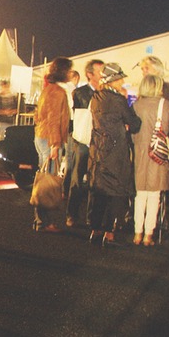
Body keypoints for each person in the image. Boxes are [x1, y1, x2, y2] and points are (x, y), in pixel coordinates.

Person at [88, 63, 141, 246]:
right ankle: (109, 233)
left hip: (98, 150)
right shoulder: (118, 100)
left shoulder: (96, 97)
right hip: (116, 151)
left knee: (100, 191)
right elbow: (134, 124)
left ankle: (95, 229)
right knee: (116, 191)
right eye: (120, 79)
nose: (123, 82)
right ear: (113, 81)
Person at [131, 75, 169, 246]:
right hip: (158, 156)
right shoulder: (166, 106)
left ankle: (137, 233)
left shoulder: (136, 106)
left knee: (139, 196)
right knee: (154, 197)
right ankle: (148, 235)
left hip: (139, 154)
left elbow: (131, 132)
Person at [32, 57, 73, 232]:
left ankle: (40, 219)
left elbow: (38, 115)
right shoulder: (57, 92)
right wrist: (56, 144)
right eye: (70, 70)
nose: (71, 73)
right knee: (48, 181)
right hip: (50, 138)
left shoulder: (47, 90)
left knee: (43, 177)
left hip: (41, 135)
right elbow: (54, 119)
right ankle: (45, 221)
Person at [66, 59, 104, 228]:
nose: (103, 74)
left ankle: (91, 217)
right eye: (100, 71)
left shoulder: (106, 93)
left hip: (98, 143)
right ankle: (71, 214)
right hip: (82, 140)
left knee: (95, 181)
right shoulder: (81, 93)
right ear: (90, 74)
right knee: (77, 178)